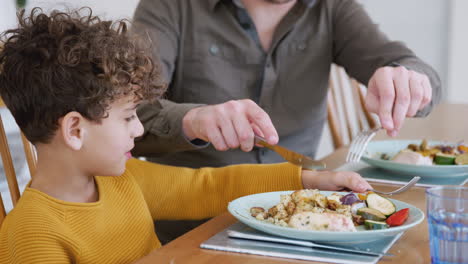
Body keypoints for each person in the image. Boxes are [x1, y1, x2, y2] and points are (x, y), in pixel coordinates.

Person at [0, 8, 372, 263]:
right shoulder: (31, 235)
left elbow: (207, 187)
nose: (140, 128)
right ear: (75, 130)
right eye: (129, 117)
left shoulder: (125, 180)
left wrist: (311, 181)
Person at [131, 0, 442, 242]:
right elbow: (128, 115)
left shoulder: (331, 8)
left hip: (303, 223)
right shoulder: (170, 7)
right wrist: (191, 119)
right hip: (192, 226)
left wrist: (412, 81)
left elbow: (404, 63)